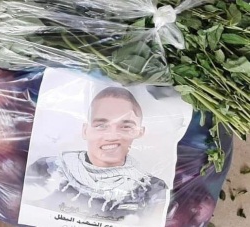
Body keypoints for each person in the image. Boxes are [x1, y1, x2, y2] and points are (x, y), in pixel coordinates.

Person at [23, 87, 168, 224]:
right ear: (85, 130)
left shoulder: (153, 190)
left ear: (139, 132)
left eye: (125, 126)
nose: (112, 136)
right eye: (101, 125)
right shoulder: (47, 169)